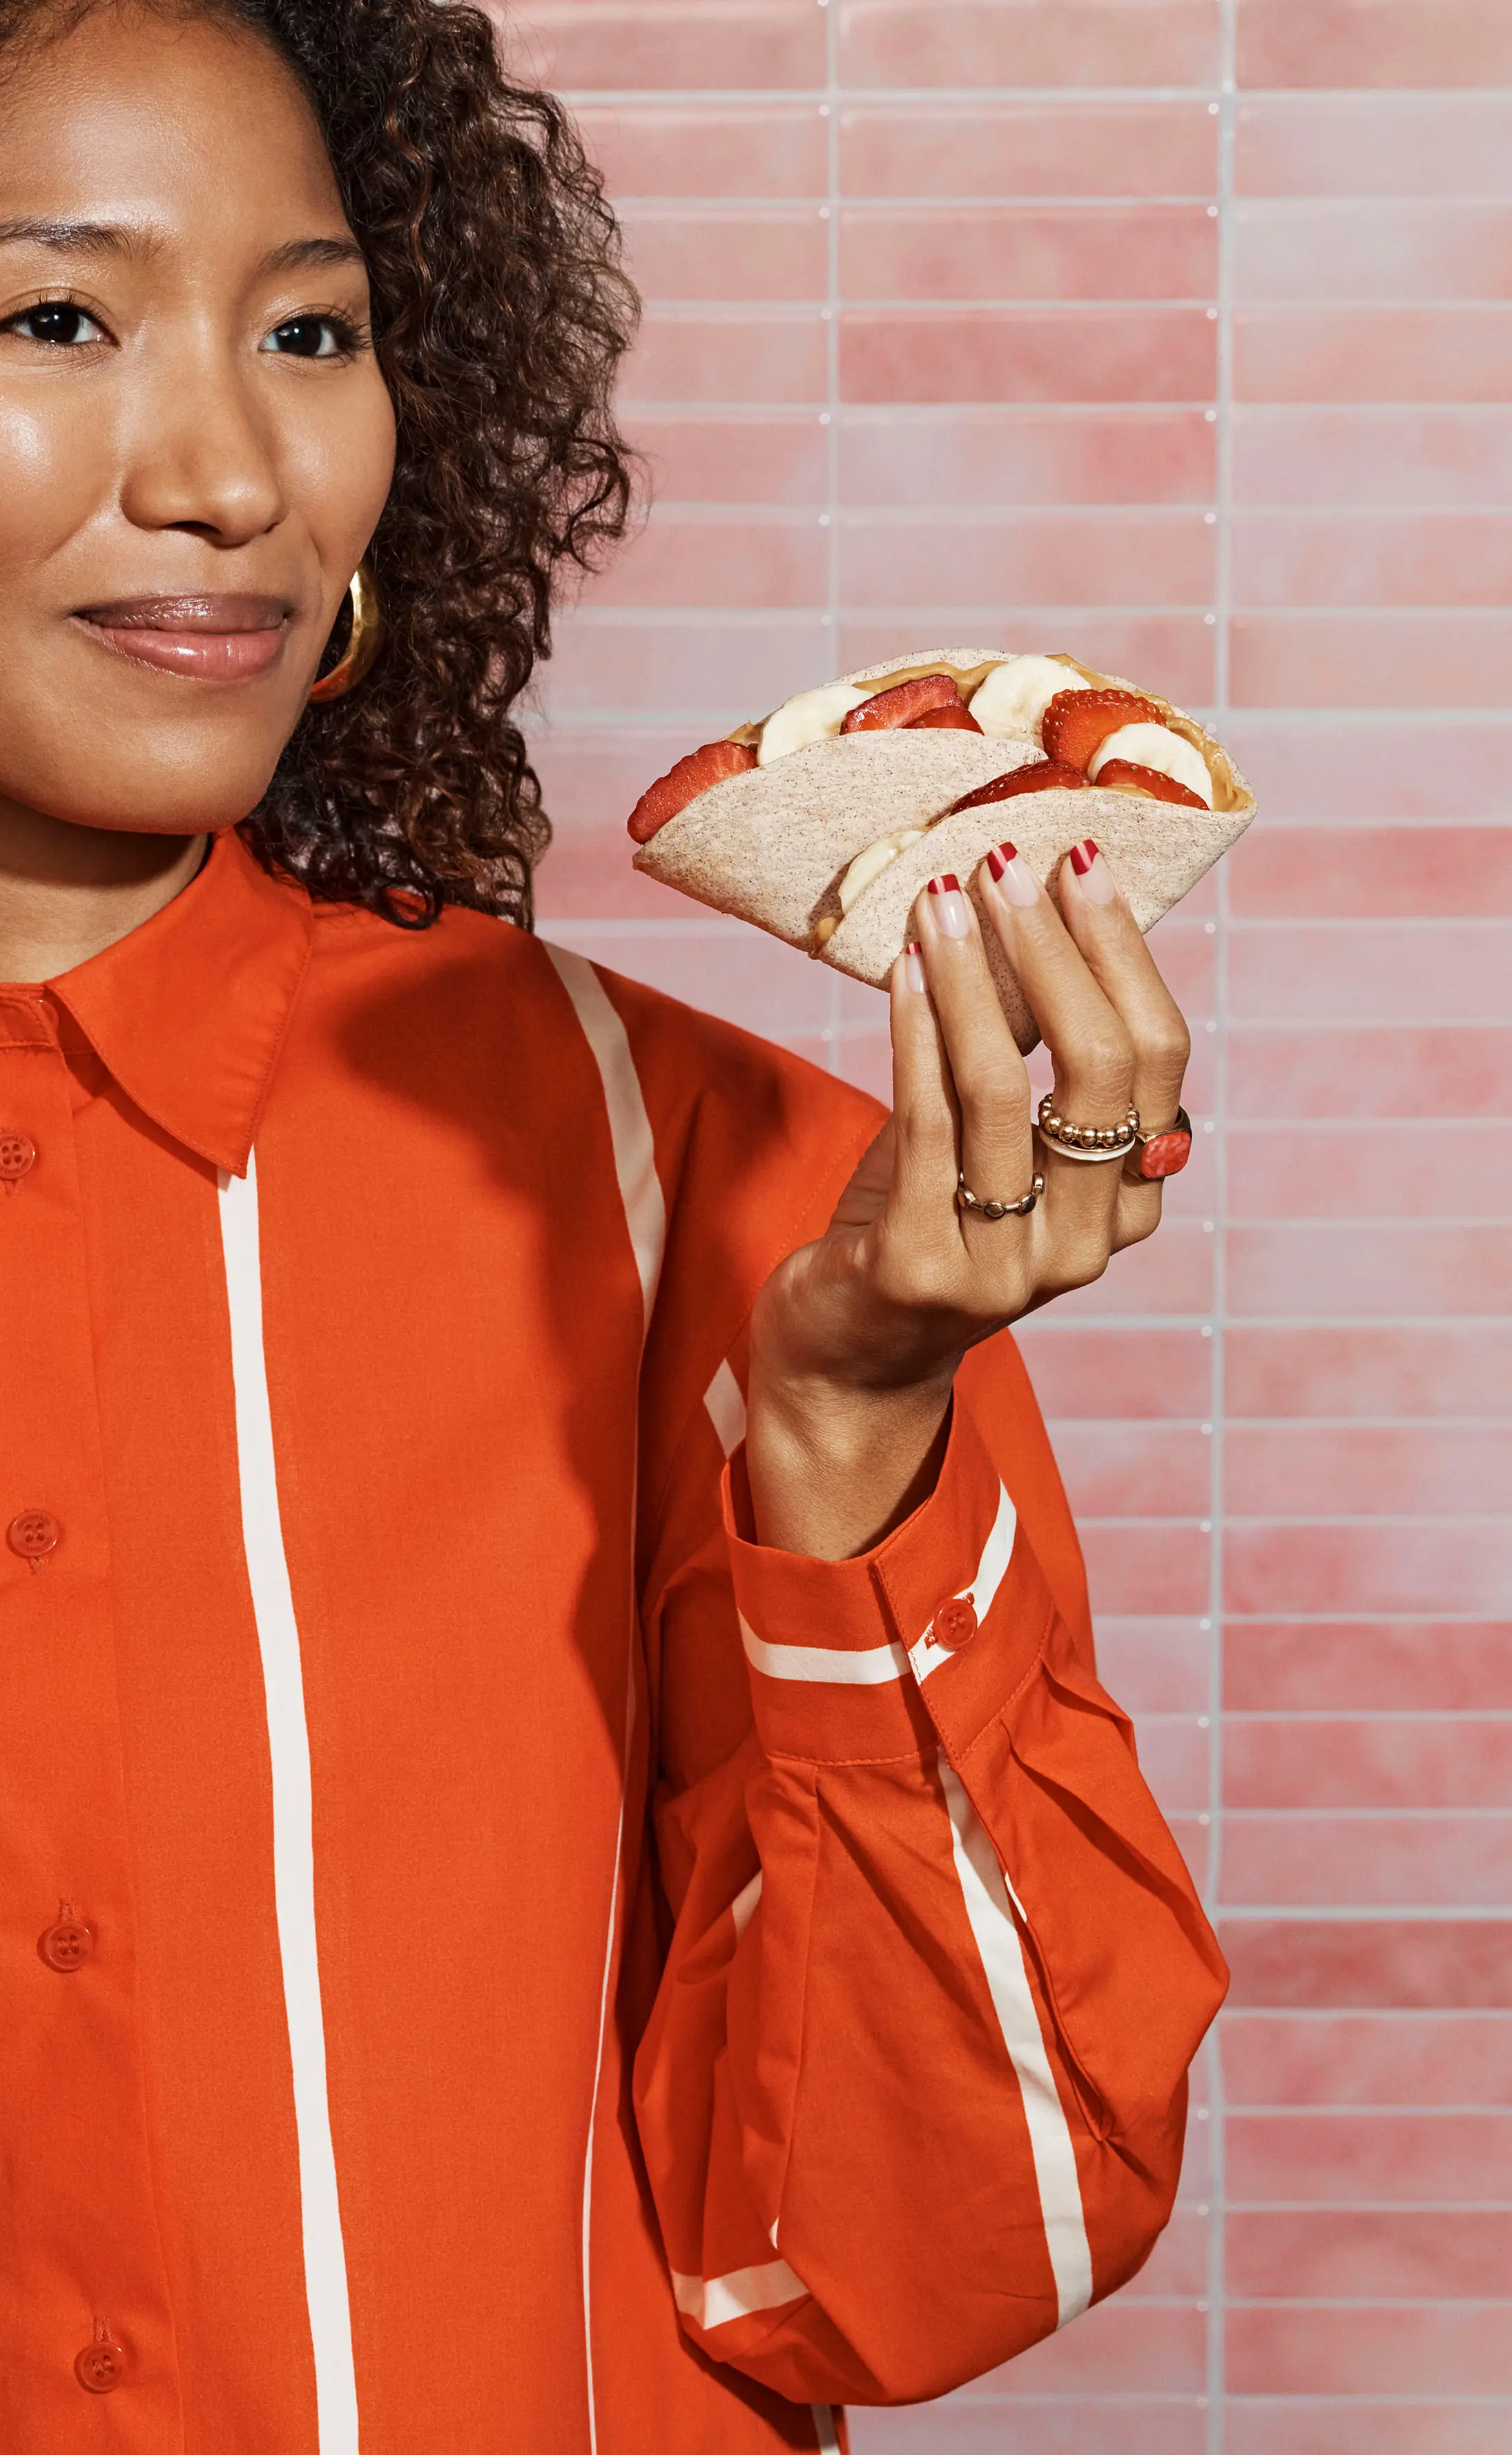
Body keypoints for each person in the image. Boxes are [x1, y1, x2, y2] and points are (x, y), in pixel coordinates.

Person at [0, 1, 1228, 2448]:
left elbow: (930, 2259)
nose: (236, 469)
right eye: (55, 316)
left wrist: (849, 1448)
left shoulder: (715, 1193)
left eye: (312, 330)